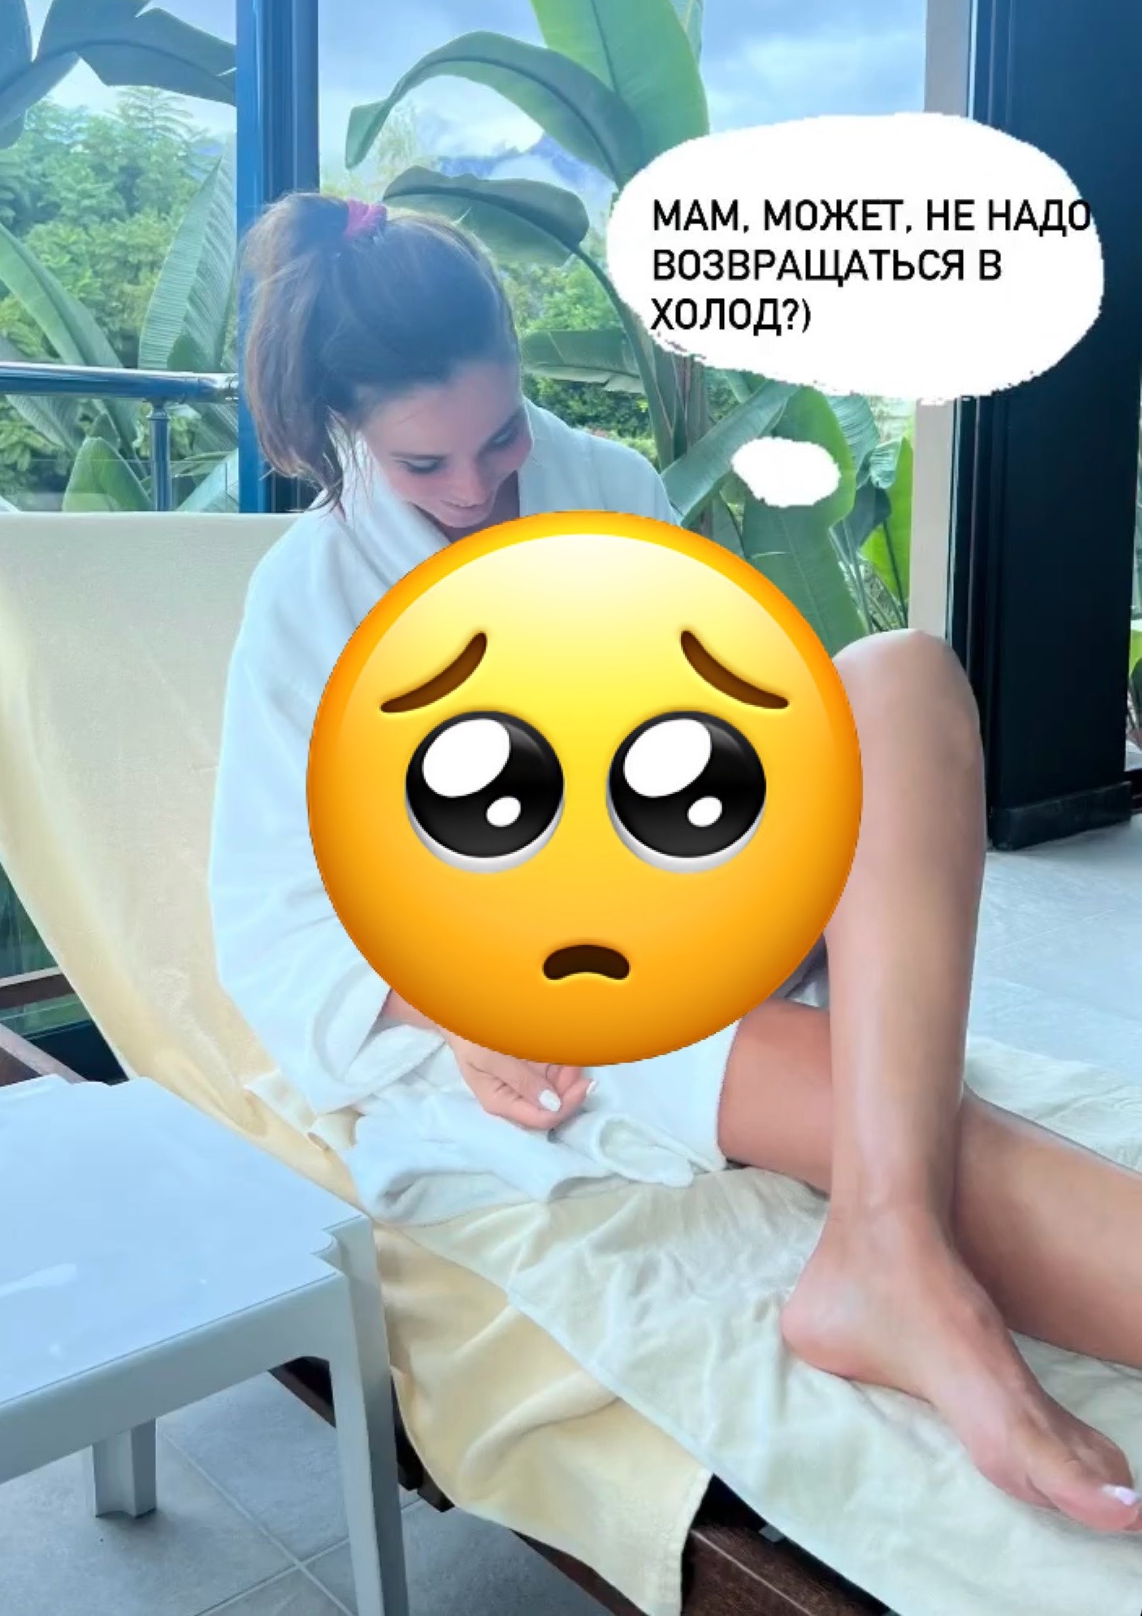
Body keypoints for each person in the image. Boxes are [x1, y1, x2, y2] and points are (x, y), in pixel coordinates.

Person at [210, 192, 1142, 1539]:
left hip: (699, 885)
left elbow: (728, 733)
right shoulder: (307, 598)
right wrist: (457, 1005)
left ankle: (882, 1247)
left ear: (518, 371)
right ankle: (892, 1256)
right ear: (347, 432)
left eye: (498, 437)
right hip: (537, 985)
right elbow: (274, 921)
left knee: (899, 673)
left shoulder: (612, 485)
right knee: (896, 1116)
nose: (474, 488)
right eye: (423, 464)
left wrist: (741, 865)